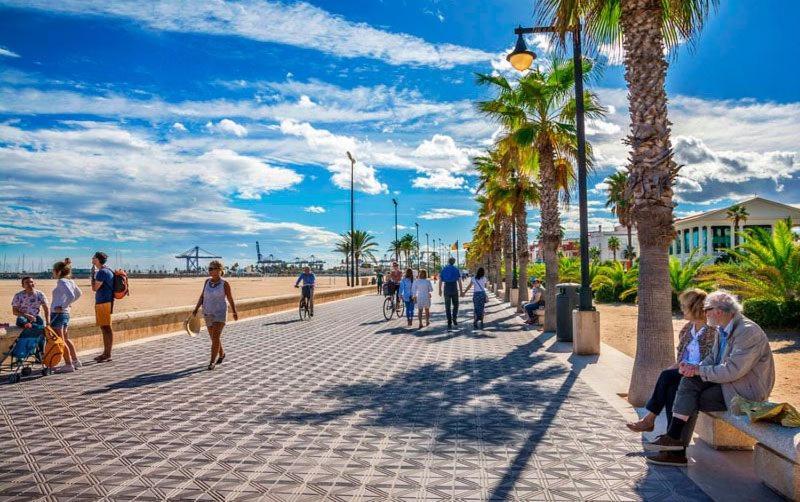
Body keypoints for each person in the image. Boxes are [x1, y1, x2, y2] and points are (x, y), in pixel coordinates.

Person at [644, 290, 775, 466]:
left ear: (719, 311)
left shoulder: (747, 332)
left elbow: (732, 371)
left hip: (744, 393)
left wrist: (698, 370)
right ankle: (674, 442)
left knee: (686, 394)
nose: (704, 313)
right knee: (684, 381)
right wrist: (693, 368)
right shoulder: (722, 328)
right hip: (727, 384)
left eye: (707, 309)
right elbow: (712, 359)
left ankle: (675, 446)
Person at [626, 289, 715, 433]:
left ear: (695, 308)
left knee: (667, 377)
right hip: (684, 371)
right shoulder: (688, 328)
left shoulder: (712, 330)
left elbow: (712, 359)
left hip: (702, 375)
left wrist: (689, 368)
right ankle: (672, 441)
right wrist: (675, 367)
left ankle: (650, 419)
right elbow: (681, 358)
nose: (682, 309)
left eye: (685, 306)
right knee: (671, 388)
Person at [192, 260, 238, 370]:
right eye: (209, 269)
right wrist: (196, 308)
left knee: (216, 336)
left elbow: (230, 298)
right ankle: (221, 354)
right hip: (208, 312)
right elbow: (202, 296)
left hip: (220, 313)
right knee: (214, 338)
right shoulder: (207, 282)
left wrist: (234, 311)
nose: (210, 271)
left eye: (212, 269)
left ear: (219, 270)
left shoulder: (224, 283)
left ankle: (212, 362)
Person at [50, 258, 83, 373]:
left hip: (58, 314)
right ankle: (75, 361)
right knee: (66, 338)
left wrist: (63, 306)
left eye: (53, 271)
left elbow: (71, 296)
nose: (52, 272)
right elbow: (79, 294)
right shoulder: (70, 281)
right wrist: (67, 306)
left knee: (61, 340)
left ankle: (68, 364)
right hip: (65, 314)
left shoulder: (62, 281)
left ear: (58, 272)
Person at [91, 251, 115, 363]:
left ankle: (107, 354)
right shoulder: (108, 270)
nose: (92, 258)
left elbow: (95, 288)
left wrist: (92, 275)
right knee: (106, 328)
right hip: (107, 301)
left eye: (94, 257)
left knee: (105, 328)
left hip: (103, 302)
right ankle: (106, 353)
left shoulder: (101, 272)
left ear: (98, 260)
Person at [438, 257, 462, 329]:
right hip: (454, 287)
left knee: (447, 306)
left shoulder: (444, 269)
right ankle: (454, 318)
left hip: (447, 287)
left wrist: (440, 290)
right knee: (456, 305)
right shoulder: (456, 269)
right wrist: (461, 291)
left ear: (448, 262)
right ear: (454, 262)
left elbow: (440, 280)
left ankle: (449, 320)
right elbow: (459, 281)